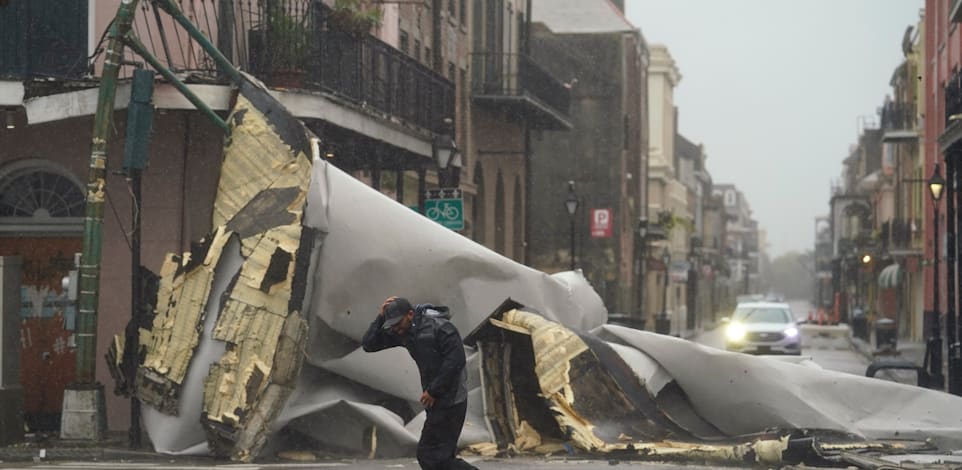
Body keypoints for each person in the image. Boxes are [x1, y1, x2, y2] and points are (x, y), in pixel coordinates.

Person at [362, 296, 477, 470]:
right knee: (437, 458)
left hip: (452, 399)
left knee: (431, 456)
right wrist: (380, 318)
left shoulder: (440, 327)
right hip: (436, 401)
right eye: (391, 325)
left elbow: (456, 360)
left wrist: (434, 391)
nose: (395, 329)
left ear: (410, 314)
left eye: (397, 323)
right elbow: (369, 345)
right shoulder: (404, 332)